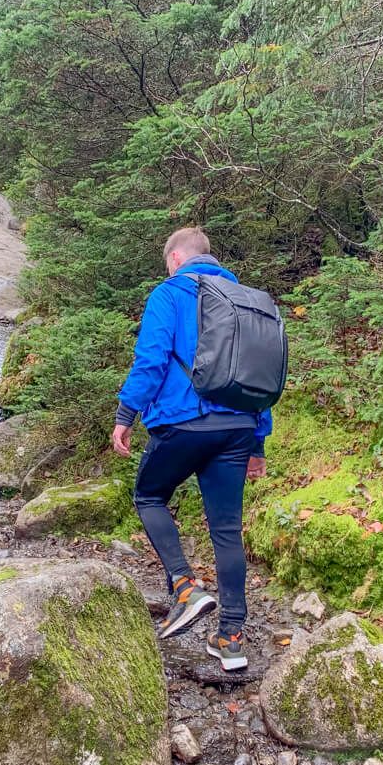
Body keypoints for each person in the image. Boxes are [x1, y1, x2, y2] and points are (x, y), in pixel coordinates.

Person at [112, 227, 271, 672]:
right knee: (227, 529)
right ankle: (231, 639)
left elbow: (153, 356)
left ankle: (185, 587)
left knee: (148, 495)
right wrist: (257, 441)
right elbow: (261, 374)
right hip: (239, 426)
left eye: (169, 263)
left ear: (178, 258)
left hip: (185, 422)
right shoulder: (248, 300)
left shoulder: (169, 293)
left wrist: (126, 414)